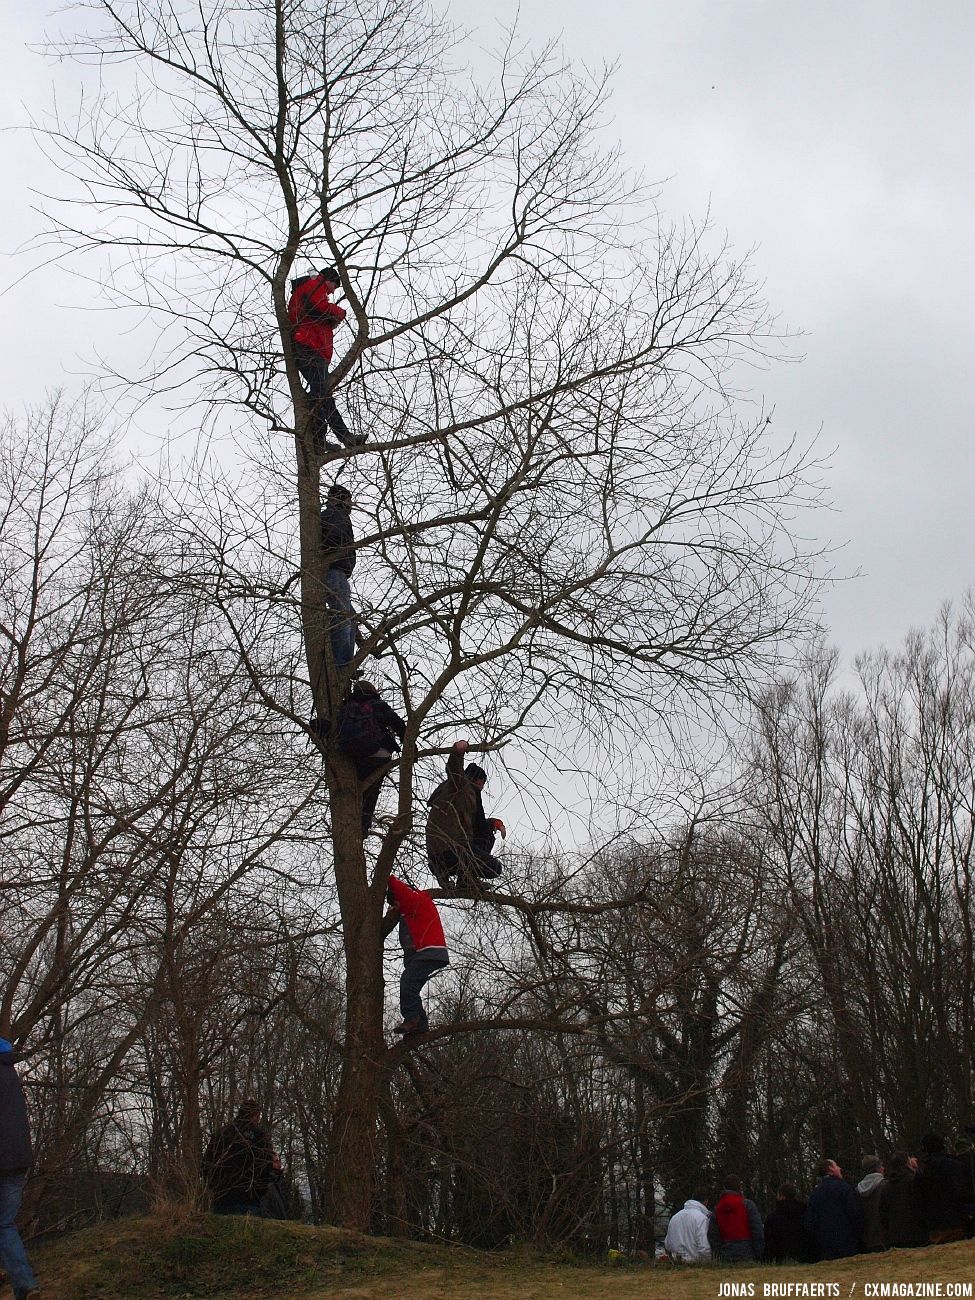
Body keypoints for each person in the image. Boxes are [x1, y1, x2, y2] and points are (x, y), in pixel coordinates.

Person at [287, 266, 364, 451]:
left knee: (321, 396)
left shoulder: (309, 289)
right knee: (322, 397)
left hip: (310, 347)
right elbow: (319, 308)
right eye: (334, 287)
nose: (332, 292)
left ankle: (325, 439)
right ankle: (335, 437)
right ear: (329, 280)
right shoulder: (315, 285)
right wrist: (339, 313)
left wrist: (329, 320)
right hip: (310, 348)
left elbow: (314, 313)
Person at [426, 741, 505, 888]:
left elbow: (479, 825)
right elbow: (454, 770)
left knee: (485, 835)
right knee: (494, 867)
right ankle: (452, 872)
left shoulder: (466, 797)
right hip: (448, 848)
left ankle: (464, 879)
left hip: (448, 851)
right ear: (479, 780)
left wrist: (495, 823)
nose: (482, 787)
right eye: (483, 783)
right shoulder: (460, 785)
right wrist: (458, 752)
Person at [338, 679, 407, 833]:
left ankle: (355, 821)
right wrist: (409, 744)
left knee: (359, 787)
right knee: (372, 789)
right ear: (373, 691)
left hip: (353, 756)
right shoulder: (376, 704)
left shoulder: (346, 707)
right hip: (378, 754)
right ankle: (363, 825)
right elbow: (398, 724)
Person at [0, 1038, 40, 1300]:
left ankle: (24, 1284)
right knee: (5, 1224)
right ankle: (25, 1286)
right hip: (18, 1158)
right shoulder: (9, 1072)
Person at [386, 875, 449, 1038]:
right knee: (412, 987)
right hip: (426, 953)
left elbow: (401, 890)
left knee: (408, 982)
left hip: (429, 951)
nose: (396, 907)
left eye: (396, 903)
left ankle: (412, 1018)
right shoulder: (409, 911)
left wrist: (387, 878)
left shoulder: (416, 900)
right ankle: (420, 1025)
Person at [202, 1100, 274, 1216]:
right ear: (256, 1115)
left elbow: (206, 1165)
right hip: (249, 1199)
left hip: (222, 1197)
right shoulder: (260, 1136)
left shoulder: (221, 1134)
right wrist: (259, 1191)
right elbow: (266, 1167)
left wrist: (214, 1187)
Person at [320, 482, 357, 668]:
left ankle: (345, 661)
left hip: (338, 571)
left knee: (350, 615)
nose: (351, 504)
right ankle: (340, 663)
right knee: (342, 615)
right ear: (342, 499)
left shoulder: (336, 515)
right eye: (349, 499)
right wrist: (342, 552)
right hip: (334, 570)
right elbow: (336, 536)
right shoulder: (336, 515)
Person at [804, 1158, 864, 1260]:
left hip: (825, 1246)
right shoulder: (845, 1188)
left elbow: (810, 1221)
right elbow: (854, 1214)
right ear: (830, 1169)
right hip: (847, 1243)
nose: (839, 1168)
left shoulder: (815, 1194)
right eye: (836, 1166)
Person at [914, 1132, 967, 1244]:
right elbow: (960, 1193)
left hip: (933, 1225)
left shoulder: (921, 1170)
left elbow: (918, 1200)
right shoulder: (954, 1165)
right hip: (956, 1221)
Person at [707, 1175, 764, 1262]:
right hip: (746, 1251)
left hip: (725, 1252)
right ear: (739, 1187)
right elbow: (757, 1230)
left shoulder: (717, 1208)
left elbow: (713, 1235)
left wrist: (718, 1255)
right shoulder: (747, 1205)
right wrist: (759, 1254)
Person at [879, 1150, 927, 1249]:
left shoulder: (886, 1187)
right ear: (907, 1163)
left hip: (895, 1236)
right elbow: (924, 1204)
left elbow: (883, 1214)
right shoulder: (914, 1180)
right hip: (918, 1234)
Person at [764, 1182, 813, 1262]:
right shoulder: (805, 1213)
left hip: (781, 1257)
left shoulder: (772, 1218)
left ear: (782, 1196)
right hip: (803, 1256)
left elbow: (769, 1241)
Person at [663, 1186, 711, 1262]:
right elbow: (704, 1246)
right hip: (695, 1262)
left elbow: (667, 1244)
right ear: (706, 1201)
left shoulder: (675, 1217)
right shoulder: (701, 1218)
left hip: (675, 1262)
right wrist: (708, 1261)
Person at [857, 1154, 886, 1252]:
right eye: (881, 1166)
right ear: (877, 1168)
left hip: (867, 1237)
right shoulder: (884, 1185)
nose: (883, 1168)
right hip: (884, 1235)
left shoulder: (857, 1190)